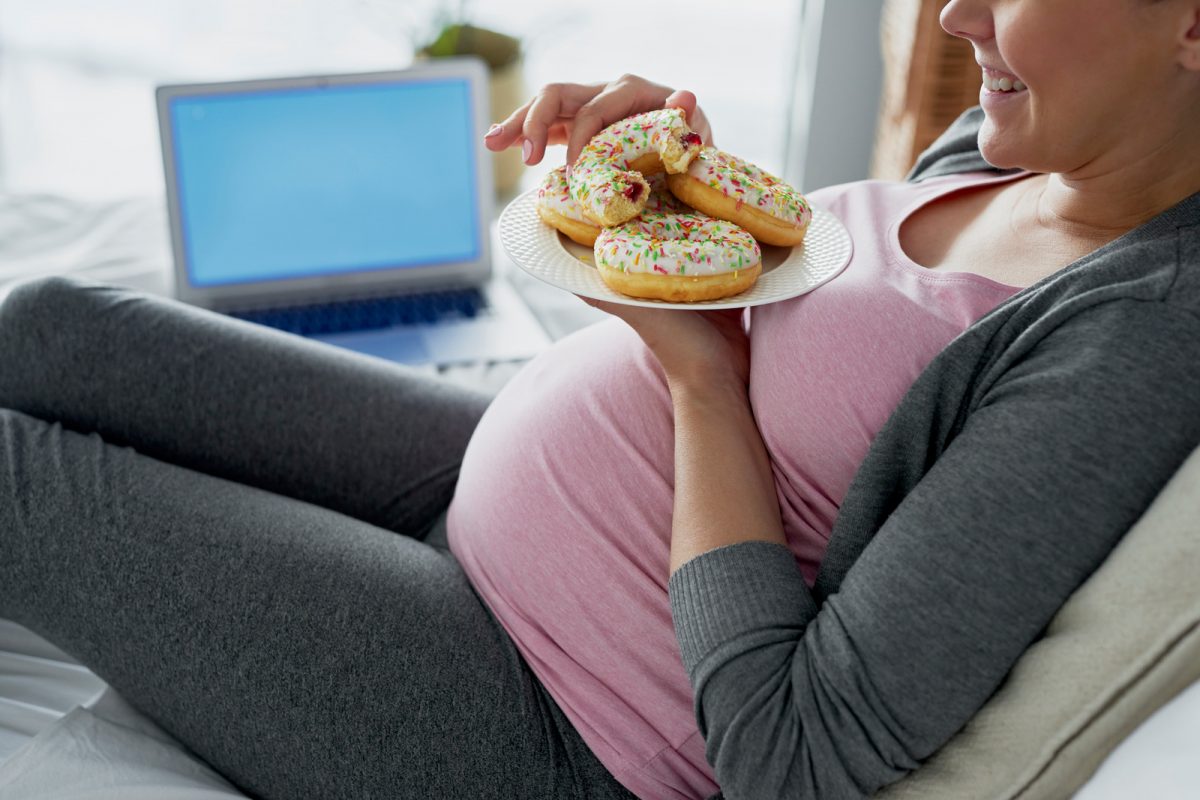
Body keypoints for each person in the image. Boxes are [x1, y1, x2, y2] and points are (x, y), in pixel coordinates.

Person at [1, 0, 1198, 797]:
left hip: (559, 709)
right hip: (484, 489)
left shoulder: (1135, 335)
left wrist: (699, 377)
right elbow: (825, 322)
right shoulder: (1029, 143)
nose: (956, 15)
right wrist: (682, 186)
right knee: (48, 324)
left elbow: (800, 752)